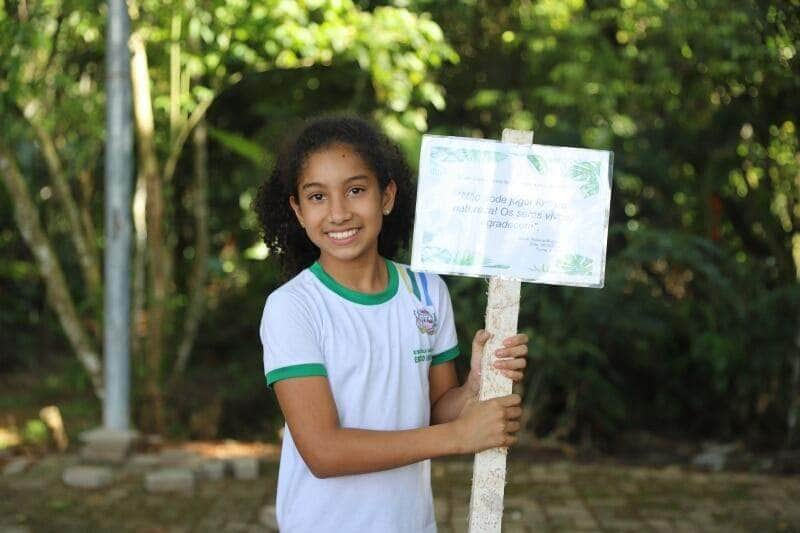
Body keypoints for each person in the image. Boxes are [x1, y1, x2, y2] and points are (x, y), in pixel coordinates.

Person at [255, 116, 528, 532]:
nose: (339, 212)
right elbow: (324, 452)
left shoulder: (426, 291)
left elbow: (439, 410)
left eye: (356, 190)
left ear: (387, 196)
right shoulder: (293, 307)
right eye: (317, 197)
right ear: (297, 209)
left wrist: (475, 387)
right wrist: (460, 437)